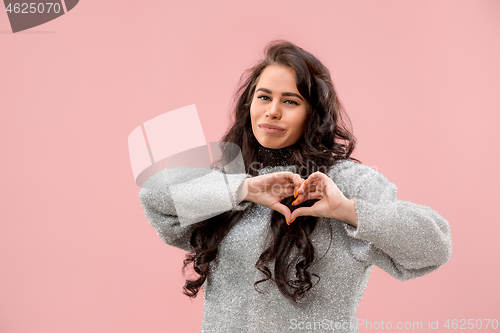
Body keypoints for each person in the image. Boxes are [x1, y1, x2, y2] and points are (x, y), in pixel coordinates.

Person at [138, 40, 452, 333]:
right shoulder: (231, 180)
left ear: (312, 115)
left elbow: (434, 246)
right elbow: (154, 195)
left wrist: (345, 209)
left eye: (290, 101)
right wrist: (244, 189)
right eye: (264, 97)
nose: (272, 111)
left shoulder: (345, 182)